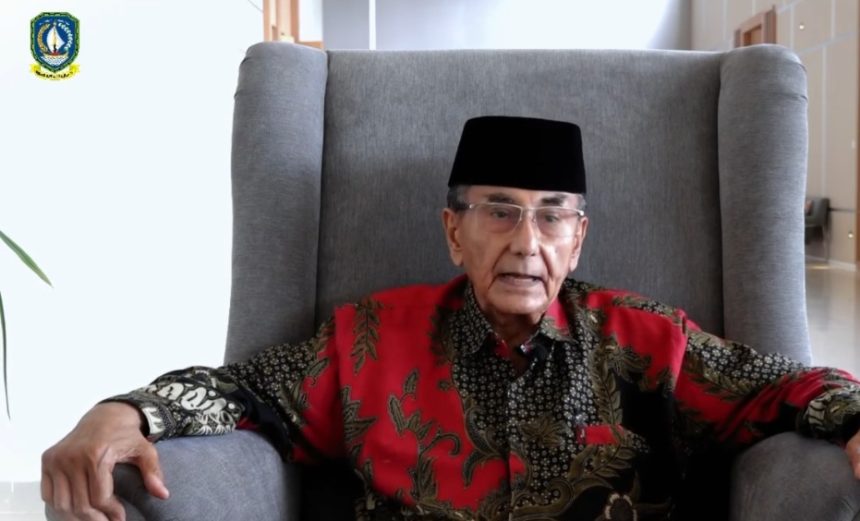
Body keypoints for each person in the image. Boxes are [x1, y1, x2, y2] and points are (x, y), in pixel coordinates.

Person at [42, 116, 860, 521]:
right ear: (453, 230)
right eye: (499, 211)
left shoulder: (644, 338)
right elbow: (245, 389)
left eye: (552, 215)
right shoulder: (370, 338)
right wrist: (125, 411)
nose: (527, 242)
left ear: (578, 237)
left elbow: (785, 386)